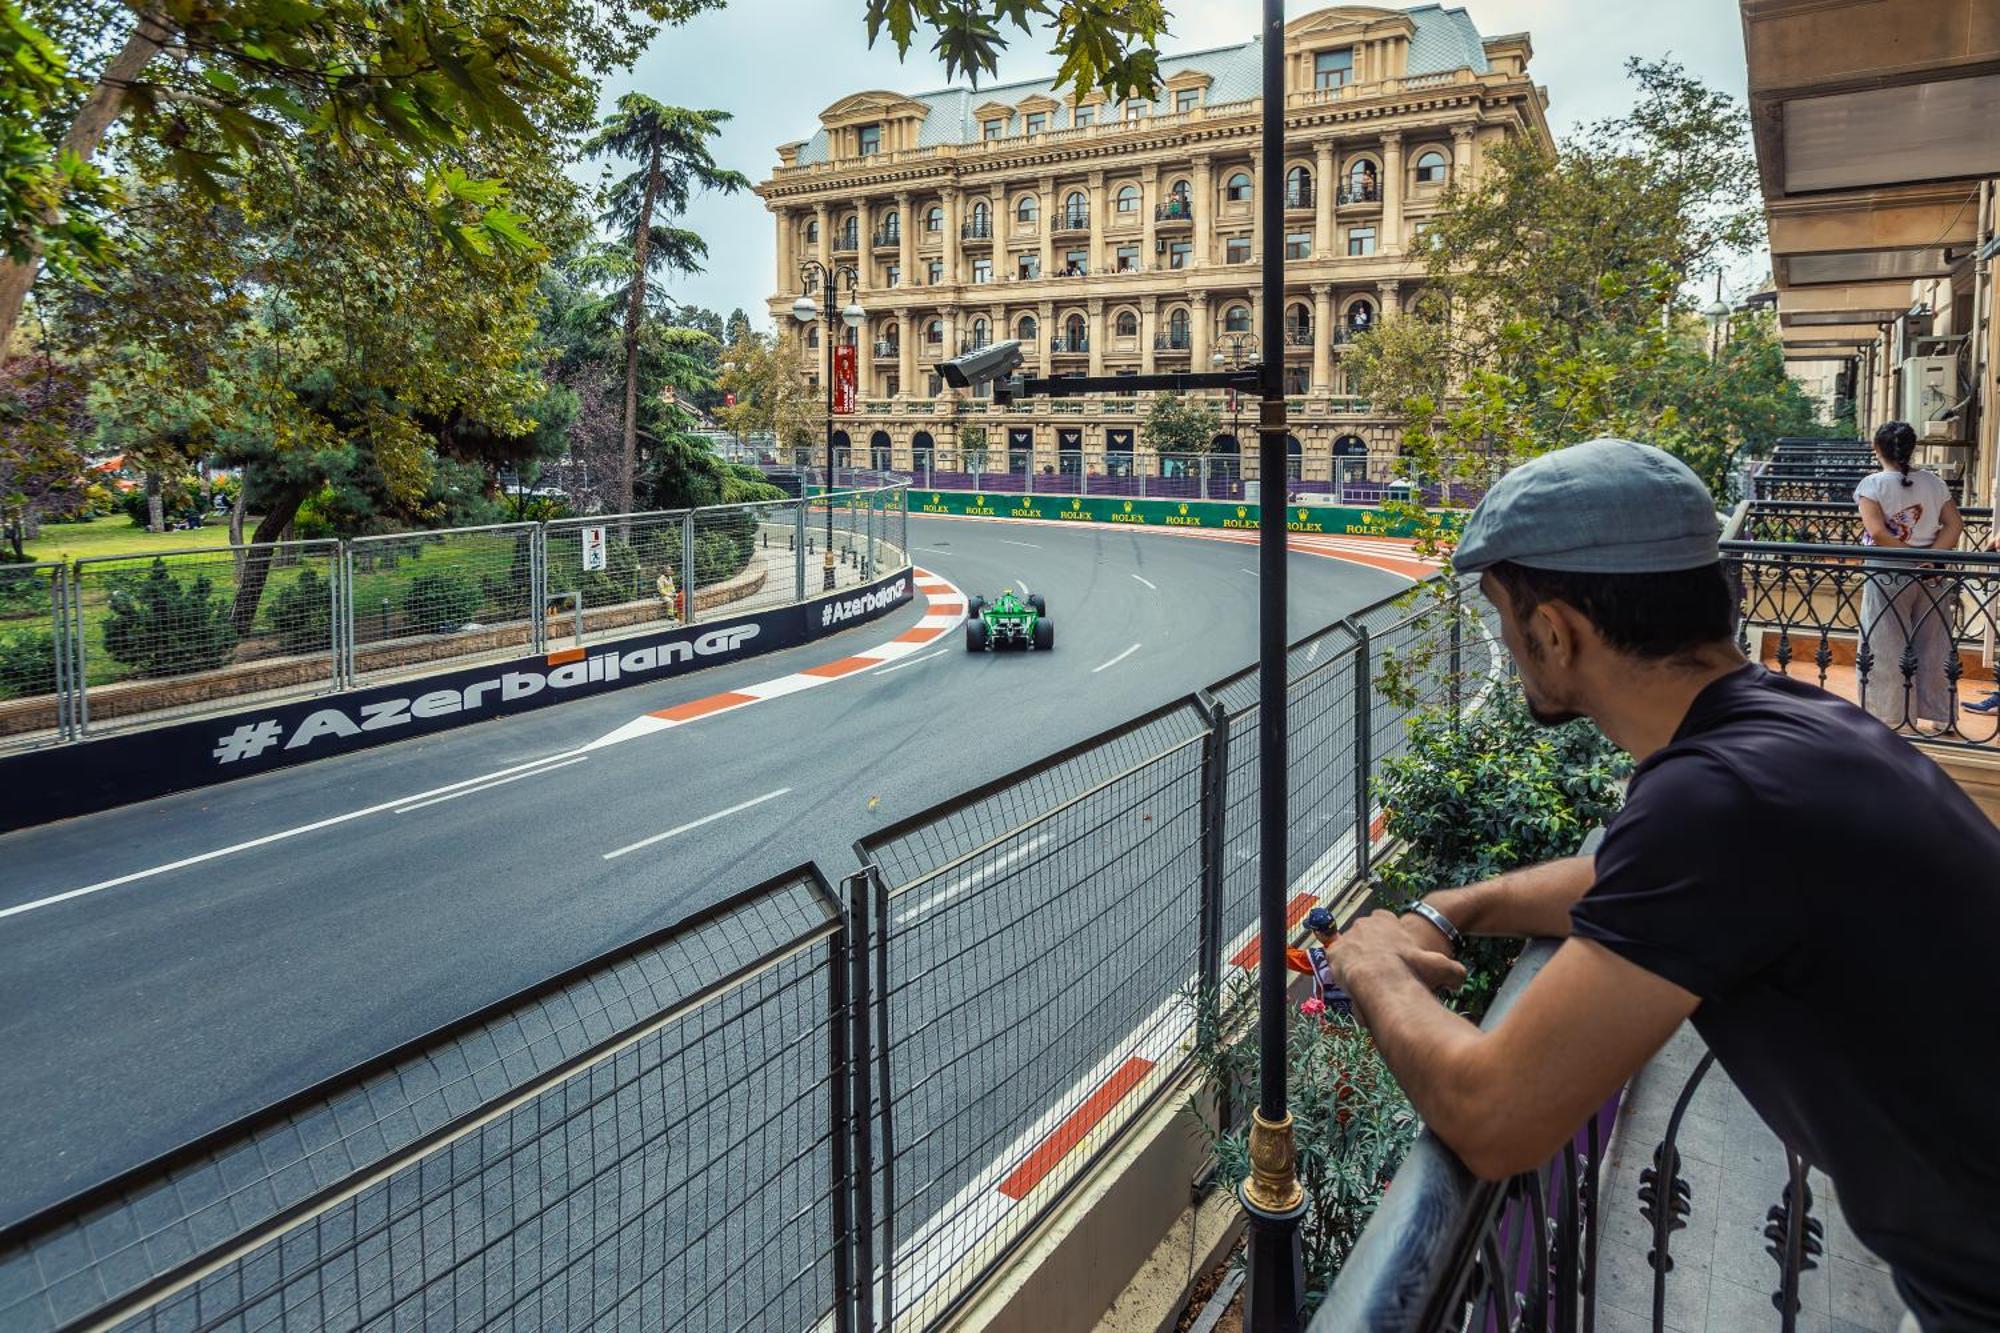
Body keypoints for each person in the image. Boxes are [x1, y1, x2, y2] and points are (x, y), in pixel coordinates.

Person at [1322, 438, 2000, 1332]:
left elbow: (1493, 1118)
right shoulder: (1784, 725)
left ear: (1555, 631)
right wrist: (1455, 908)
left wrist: (1371, 958)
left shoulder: (1717, 803)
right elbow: (1627, 878)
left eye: (1503, 620)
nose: (1508, 644)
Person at [1853, 421, 1963, 732]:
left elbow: (1875, 530)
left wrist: (1908, 558)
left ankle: (1889, 717)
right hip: (1932, 574)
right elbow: (1954, 526)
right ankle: (1943, 718)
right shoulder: (1933, 483)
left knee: (1884, 643)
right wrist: (1928, 559)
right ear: (1912, 449)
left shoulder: (1872, 485)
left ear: (1877, 449)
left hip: (1888, 571)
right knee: (1935, 643)